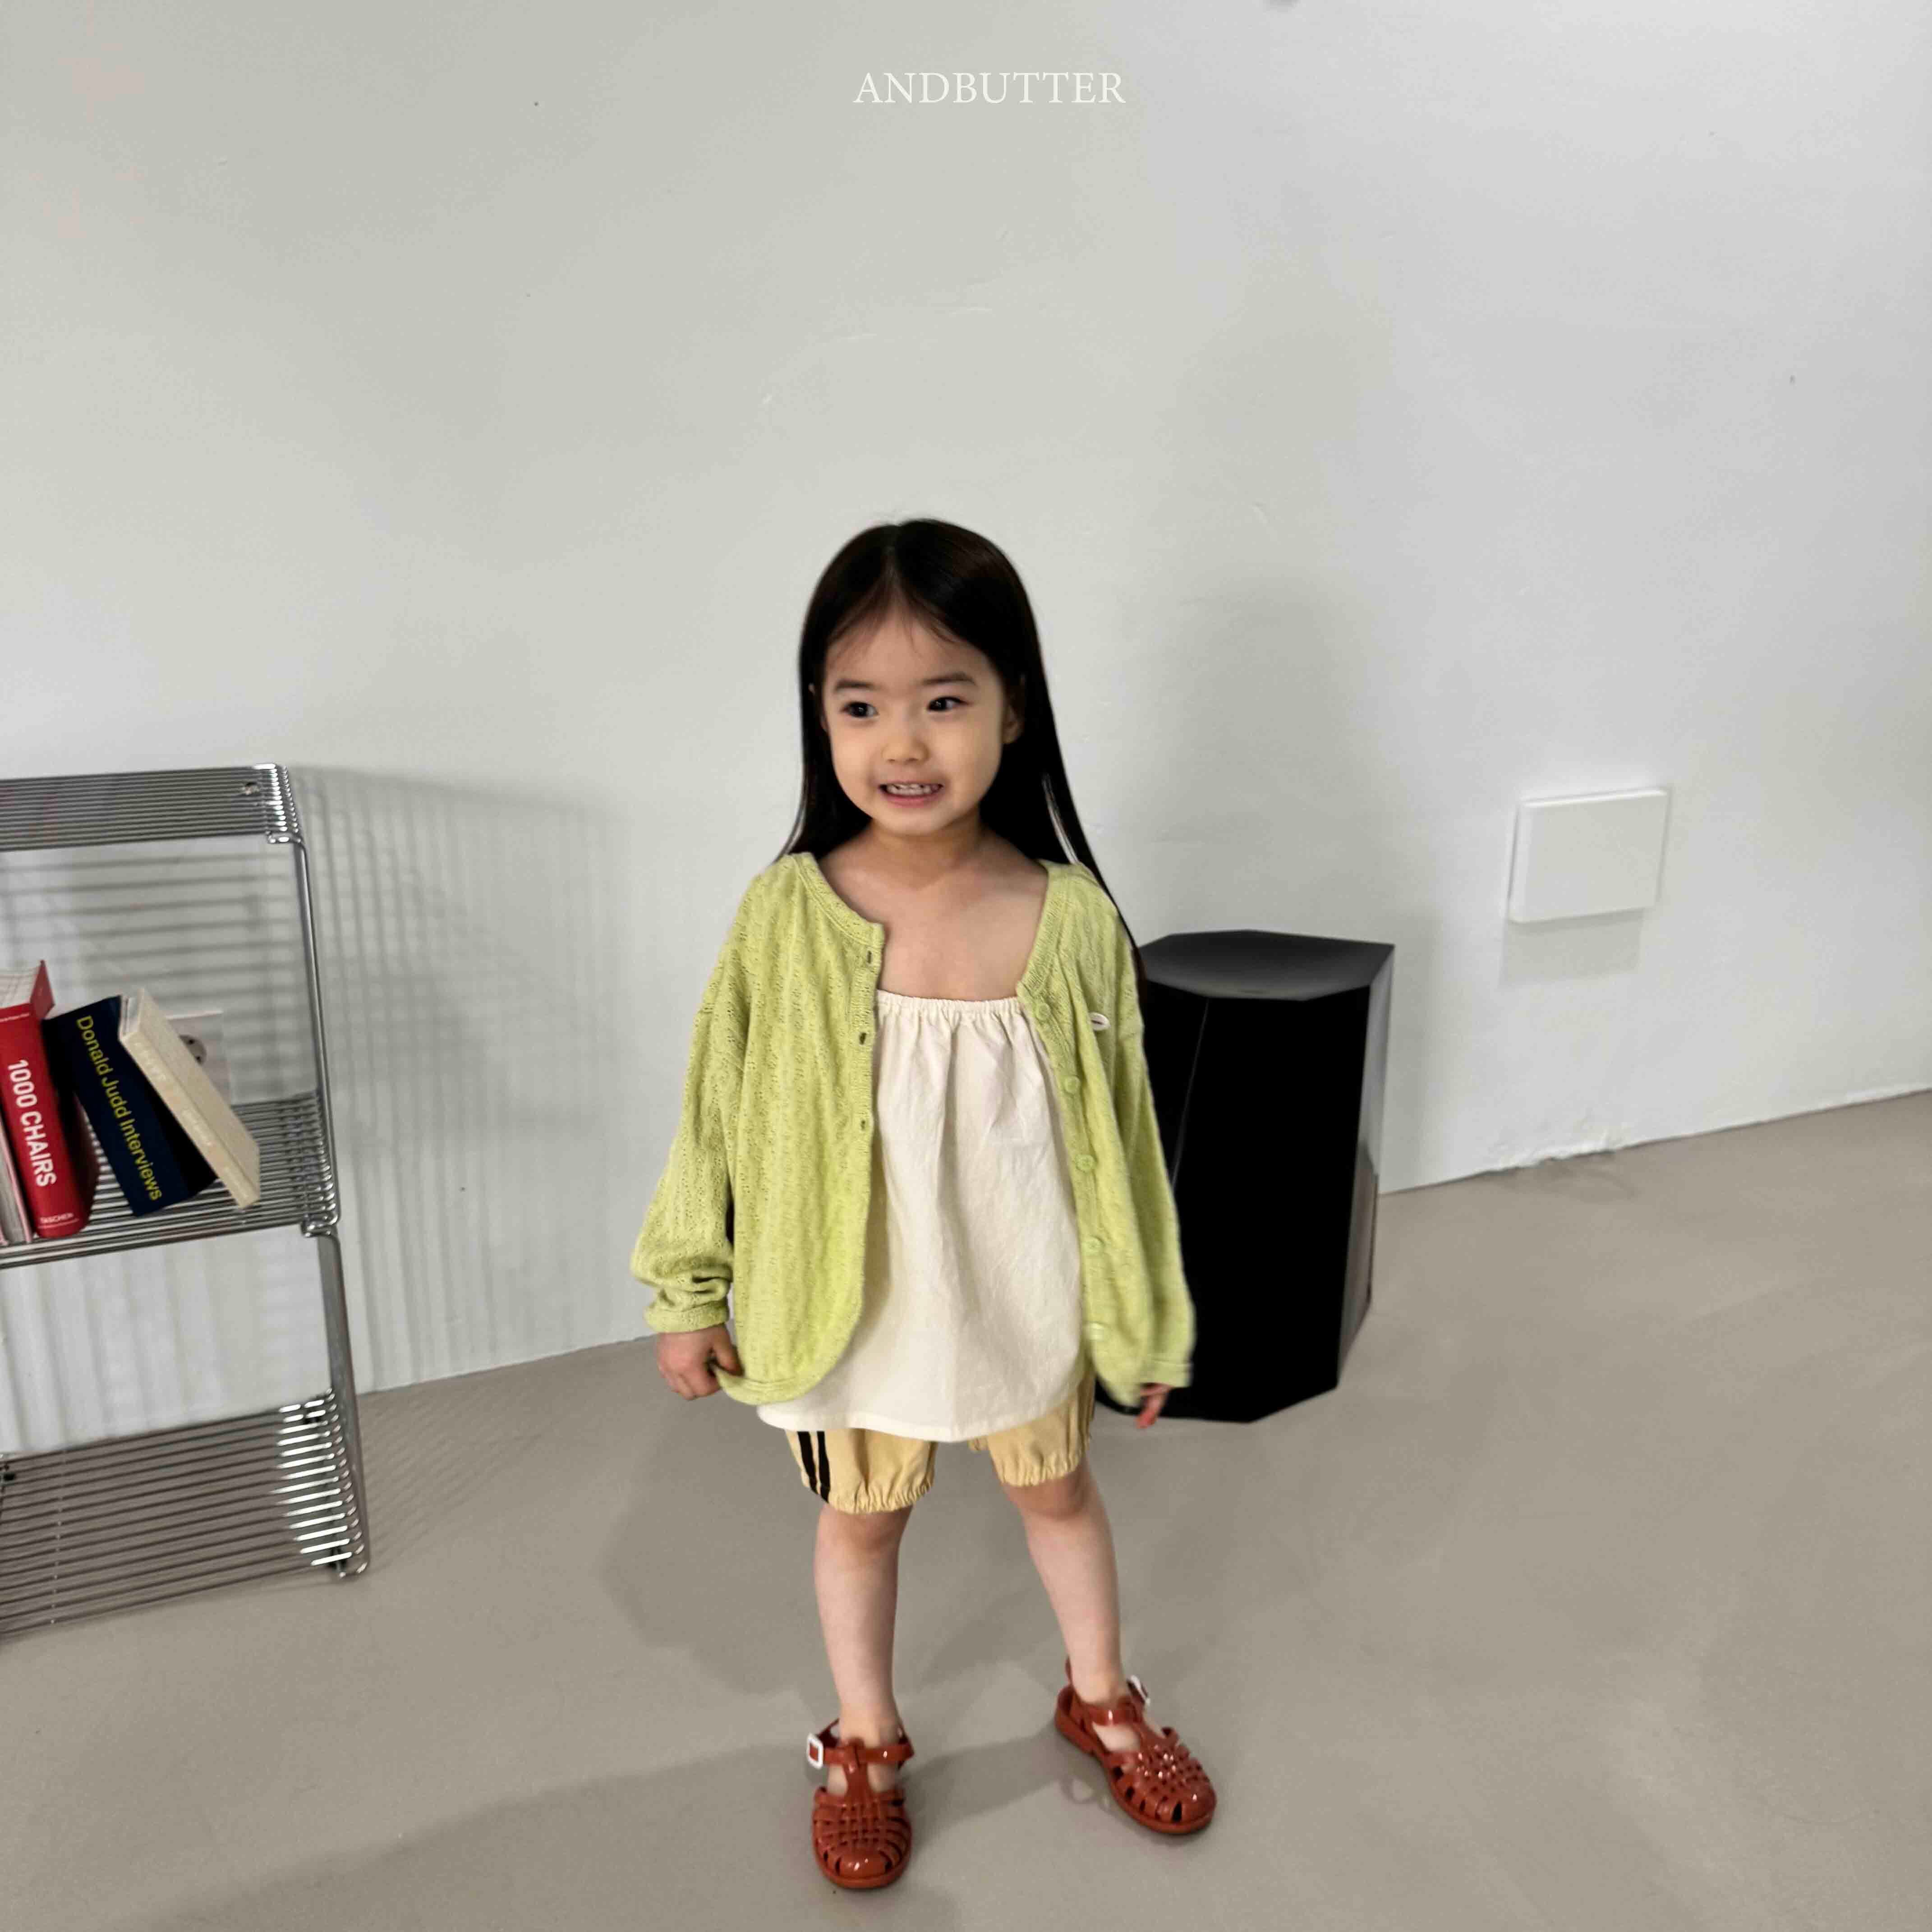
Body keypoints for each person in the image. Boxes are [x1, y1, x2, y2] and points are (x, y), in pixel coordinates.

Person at [635, 519, 1218, 1889]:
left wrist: (1145, 1316)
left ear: (1013, 710)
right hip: (854, 1310)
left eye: (943, 700)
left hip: (1024, 1293)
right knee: (863, 1521)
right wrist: (689, 1288)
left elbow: (1124, 1143)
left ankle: (1101, 1695)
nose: (902, 743)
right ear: (820, 718)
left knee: (1059, 1497)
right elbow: (715, 1106)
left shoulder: (1070, 915)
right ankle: (864, 1736)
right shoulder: (786, 912)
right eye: (861, 706)